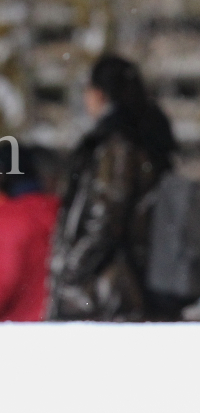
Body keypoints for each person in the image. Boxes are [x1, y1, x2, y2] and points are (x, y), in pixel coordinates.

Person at [49, 54, 176, 321]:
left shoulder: (116, 146)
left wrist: (71, 269)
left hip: (110, 290)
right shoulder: (147, 137)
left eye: (87, 90)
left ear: (100, 93)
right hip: (141, 282)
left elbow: (106, 218)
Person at [0, 145, 60, 322]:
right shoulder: (57, 211)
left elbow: (1, 283)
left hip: (16, 327)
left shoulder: (9, 219)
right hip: (54, 320)